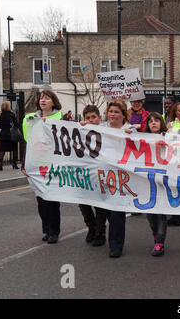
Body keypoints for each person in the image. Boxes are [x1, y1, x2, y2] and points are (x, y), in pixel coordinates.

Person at [21, 90, 63, 244]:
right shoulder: (29, 119)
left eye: (47, 98)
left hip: (53, 166)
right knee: (41, 200)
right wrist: (24, 162)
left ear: (53, 101)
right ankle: (46, 228)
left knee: (52, 200)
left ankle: (54, 231)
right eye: (41, 98)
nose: (43, 100)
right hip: (37, 165)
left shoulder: (61, 118)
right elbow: (28, 142)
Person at [101, 99, 132, 258]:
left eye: (116, 112)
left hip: (121, 177)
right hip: (102, 175)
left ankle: (116, 245)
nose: (113, 114)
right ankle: (107, 235)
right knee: (106, 210)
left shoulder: (130, 130)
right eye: (111, 111)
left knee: (116, 212)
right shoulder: (99, 128)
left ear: (123, 115)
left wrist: (131, 135)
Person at [78, 105, 110, 247]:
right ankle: (91, 227)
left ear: (99, 118)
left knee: (99, 204)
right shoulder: (80, 130)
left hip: (100, 173)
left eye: (93, 117)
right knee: (83, 202)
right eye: (87, 118)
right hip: (84, 172)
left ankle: (100, 232)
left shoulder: (106, 130)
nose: (90, 120)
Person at [143, 112, 169, 256]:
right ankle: (155, 234)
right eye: (150, 121)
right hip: (147, 181)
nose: (153, 123)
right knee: (150, 214)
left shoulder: (169, 138)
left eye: (156, 120)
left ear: (161, 123)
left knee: (160, 213)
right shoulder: (141, 139)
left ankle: (160, 242)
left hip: (163, 181)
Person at [0, 101, 20, 171]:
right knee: (14, 149)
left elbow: (0, 126)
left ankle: (0, 164)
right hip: (11, 135)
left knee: (2, 150)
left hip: (3, 134)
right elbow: (16, 124)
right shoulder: (12, 114)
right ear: (8, 106)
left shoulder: (1, 115)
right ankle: (14, 164)